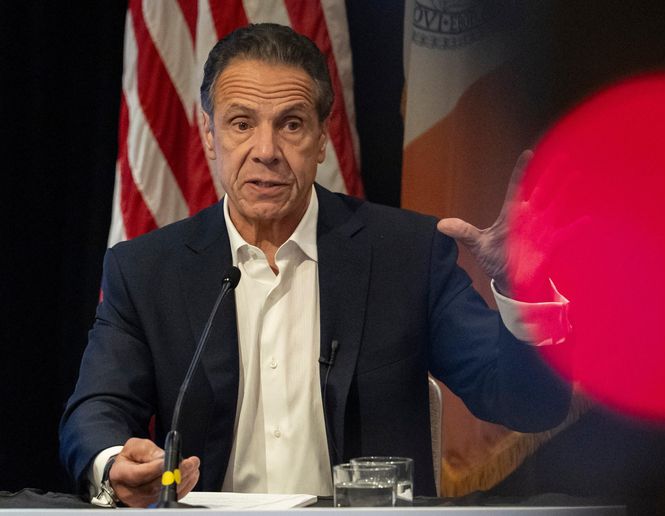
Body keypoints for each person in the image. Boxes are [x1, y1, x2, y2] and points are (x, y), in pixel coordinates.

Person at [59, 23, 571, 508]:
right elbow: (96, 411)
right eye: (241, 124)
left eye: (291, 124)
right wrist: (114, 462)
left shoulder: (406, 256)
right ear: (210, 135)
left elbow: (529, 404)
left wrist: (523, 289)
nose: (266, 151)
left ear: (322, 138)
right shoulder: (146, 271)